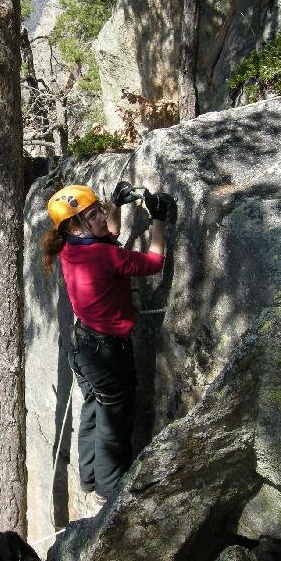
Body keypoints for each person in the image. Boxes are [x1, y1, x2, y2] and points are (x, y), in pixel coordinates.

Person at [42, 182, 169, 504]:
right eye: (92, 215)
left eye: (98, 210)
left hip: (82, 348)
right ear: (74, 226)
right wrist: (158, 219)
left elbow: (108, 234)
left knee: (93, 411)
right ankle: (107, 495)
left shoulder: (70, 247)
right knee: (114, 424)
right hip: (108, 356)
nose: (100, 217)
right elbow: (154, 263)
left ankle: (88, 479)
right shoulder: (104, 255)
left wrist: (115, 206)